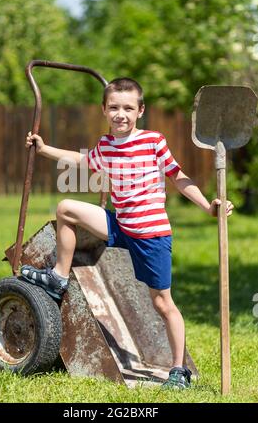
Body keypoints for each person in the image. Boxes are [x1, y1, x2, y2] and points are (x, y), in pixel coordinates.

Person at [21, 78, 234, 389]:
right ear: (104, 110)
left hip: (150, 236)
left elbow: (178, 177)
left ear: (140, 110)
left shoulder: (153, 142)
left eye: (128, 108)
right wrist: (44, 149)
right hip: (120, 225)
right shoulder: (106, 145)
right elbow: (82, 161)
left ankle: (179, 371)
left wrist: (208, 207)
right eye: (114, 108)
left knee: (162, 303)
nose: (121, 114)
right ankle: (58, 276)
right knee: (66, 207)